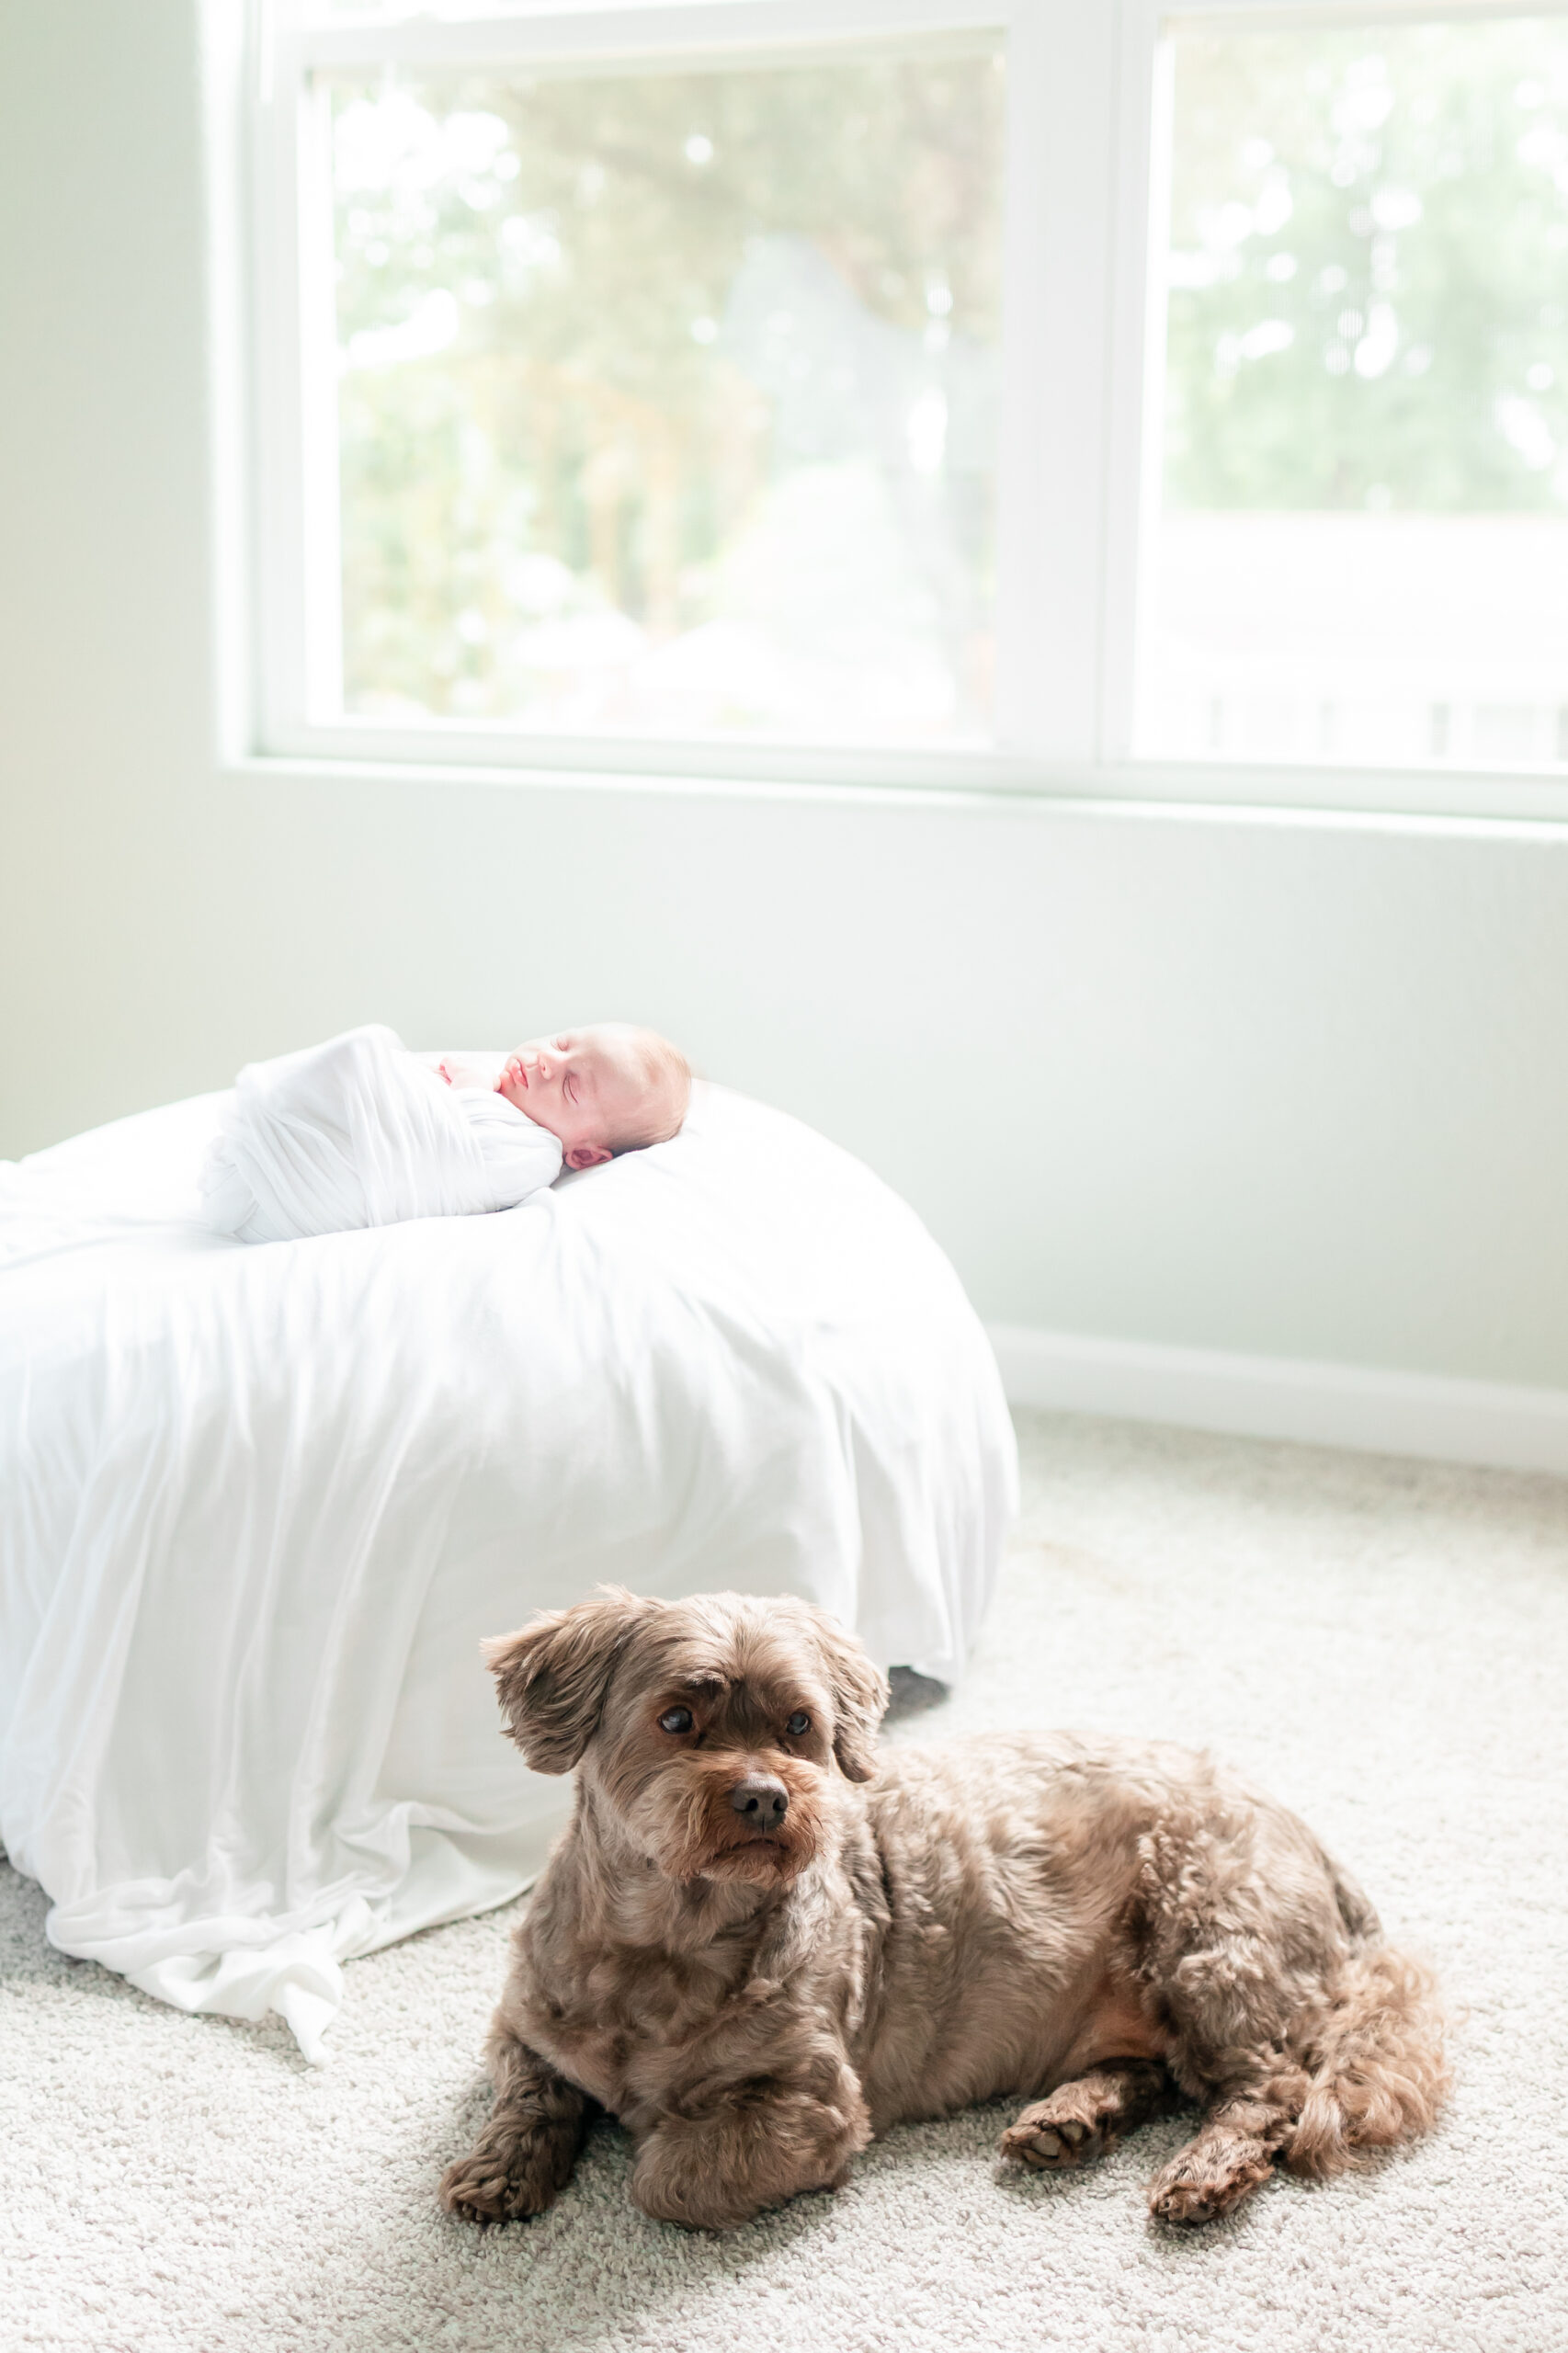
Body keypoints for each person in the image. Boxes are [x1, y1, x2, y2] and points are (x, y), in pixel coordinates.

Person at [433, 1026, 691, 1172]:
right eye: (561, 1044)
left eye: (569, 1085)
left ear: (584, 1155)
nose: (547, 1059)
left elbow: (454, 1153)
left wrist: (472, 1089)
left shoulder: (535, 1154)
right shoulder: (494, 1078)